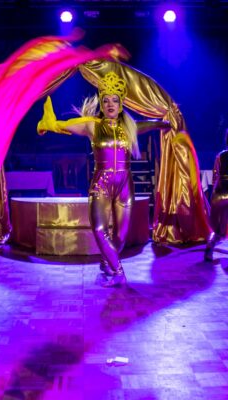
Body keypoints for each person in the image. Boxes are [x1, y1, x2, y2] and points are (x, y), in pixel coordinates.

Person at [37, 71, 170, 287]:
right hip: (101, 185)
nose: (110, 104)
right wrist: (50, 124)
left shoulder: (129, 128)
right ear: (101, 103)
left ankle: (107, 262)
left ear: (120, 104)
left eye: (114, 100)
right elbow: (67, 124)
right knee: (99, 230)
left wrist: (164, 124)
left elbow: (150, 125)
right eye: (106, 100)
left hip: (125, 187)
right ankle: (118, 271)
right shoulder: (93, 126)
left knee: (120, 237)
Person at [204, 128, 228, 261]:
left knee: (218, 229)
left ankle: (209, 247)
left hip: (220, 193)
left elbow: (215, 177)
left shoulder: (220, 156)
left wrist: (214, 196)